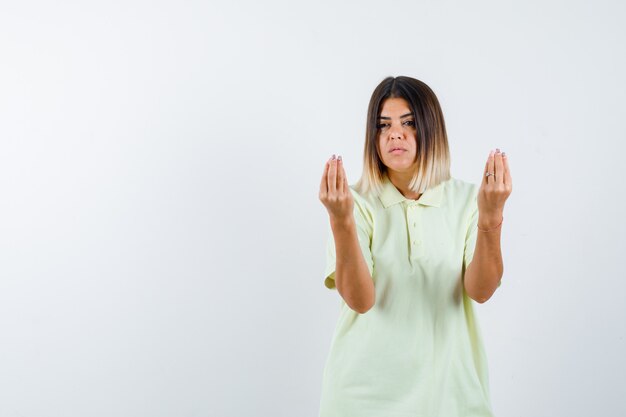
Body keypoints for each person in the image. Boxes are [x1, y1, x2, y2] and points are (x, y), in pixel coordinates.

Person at [317, 76, 512, 417]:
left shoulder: (468, 200)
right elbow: (361, 300)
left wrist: (492, 214)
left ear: (431, 129)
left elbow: (481, 290)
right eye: (383, 125)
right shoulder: (355, 202)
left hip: (451, 397)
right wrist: (341, 221)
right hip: (363, 398)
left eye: (408, 123)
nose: (395, 133)